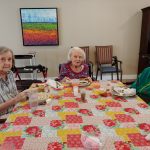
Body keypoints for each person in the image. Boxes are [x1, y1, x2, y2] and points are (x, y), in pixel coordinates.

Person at [0, 46, 28, 116]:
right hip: (3, 119)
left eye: (9, 59)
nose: (7, 63)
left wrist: (23, 94)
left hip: (16, 110)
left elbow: (13, 93)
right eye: (2, 59)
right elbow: (14, 99)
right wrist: (15, 100)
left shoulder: (10, 74)